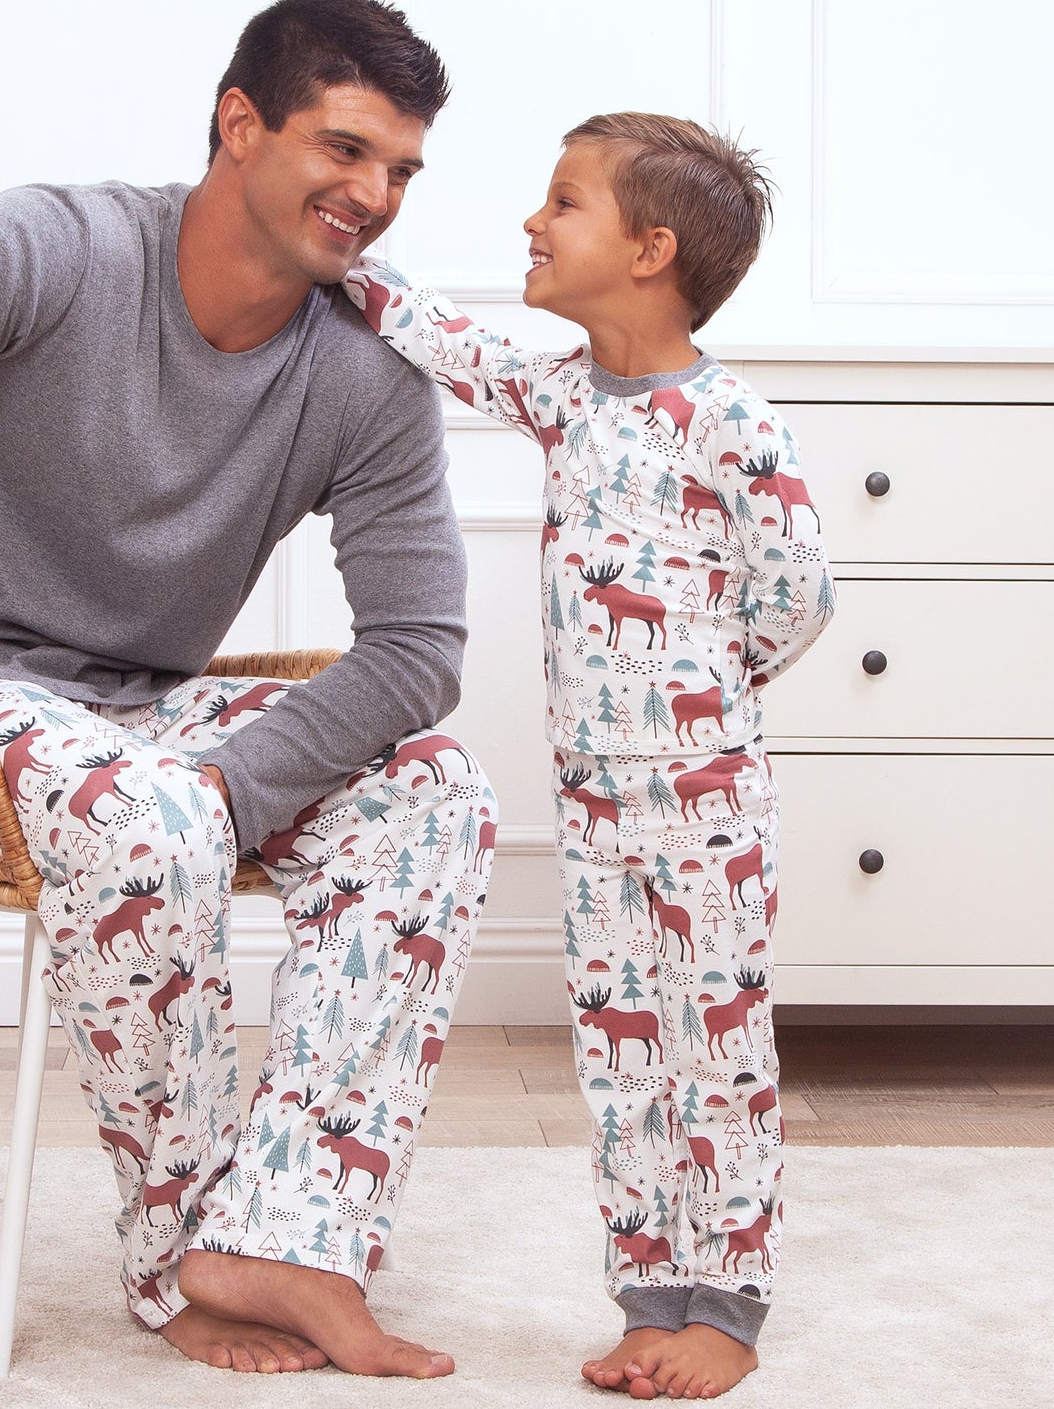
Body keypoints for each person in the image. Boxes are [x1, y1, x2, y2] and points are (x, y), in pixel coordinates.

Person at [0, 0, 497, 1379]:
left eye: (401, 170)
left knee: (437, 793)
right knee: (151, 819)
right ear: (240, 123)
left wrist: (225, 786)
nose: (375, 197)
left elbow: (418, 646)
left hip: (140, 715)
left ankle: (291, 1234)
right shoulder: (64, 248)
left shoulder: (366, 372)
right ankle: (176, 1254)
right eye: (345, 148)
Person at [345, 112, 832, 1398]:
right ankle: (649, 1292)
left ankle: (728, 1300)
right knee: (621, 1055)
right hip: (594, 808)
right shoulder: (565, 397)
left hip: (708, 806)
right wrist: (341, 254)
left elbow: (798, 598)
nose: (532, 221)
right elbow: (452, 343)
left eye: (563, 202)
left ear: (649, 251)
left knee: (714, 1050)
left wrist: (703, 694)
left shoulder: (732, 422)